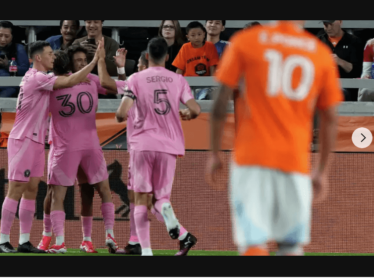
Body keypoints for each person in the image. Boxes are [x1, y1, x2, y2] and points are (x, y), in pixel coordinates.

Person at [207, 20, 343, 256]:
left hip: (251, 158)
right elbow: (330, 118)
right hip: (294, 161)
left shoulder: (246, 42)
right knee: (290, 245)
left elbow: (219, 103)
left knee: (252, 242)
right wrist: (321, 170)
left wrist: (215, 153)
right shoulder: (319, 52)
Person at [0, 40, 102, 253]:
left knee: (32, 189)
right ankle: (3, 241)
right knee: (16, 188)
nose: (53, 57)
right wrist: (94, 62)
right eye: (49, 53)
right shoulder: (36, 78)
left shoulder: (42, 77)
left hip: (36, 140)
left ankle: (24, 241)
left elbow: (64, 78)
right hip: (23, 139)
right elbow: (70, 80)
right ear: (38, 58)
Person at [115, 37, 201, 256]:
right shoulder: (178, 80)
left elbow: (121, 113)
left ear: (146, 56)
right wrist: (187, 113)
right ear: (168, 57)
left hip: (142, 145)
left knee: (141, 199)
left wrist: (123, 113)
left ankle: (147, 251)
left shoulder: (135, 78)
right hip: (169, 146)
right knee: (161, 199)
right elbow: (196, 109)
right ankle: (181, 234)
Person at [37, 45, 126, 253]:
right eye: (78, 60)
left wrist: (120, 69)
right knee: (55, 193)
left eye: (85, 60)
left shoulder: (84, 80)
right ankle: (52, 238)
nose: (82, 63)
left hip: (80, 146)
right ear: (69, 62)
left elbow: (121, 87)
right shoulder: (56, 80)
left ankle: (94, 238)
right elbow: (125, 87)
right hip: (67, 145)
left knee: (91, 191)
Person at [317, 20, 363, 101]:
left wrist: (340, 61)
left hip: (346, 86)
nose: (328, 28)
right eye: (325, 24)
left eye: (331, 24)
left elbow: (358, 71)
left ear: (340, 22)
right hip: (322, 84)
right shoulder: (318, 41)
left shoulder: (354, 41)